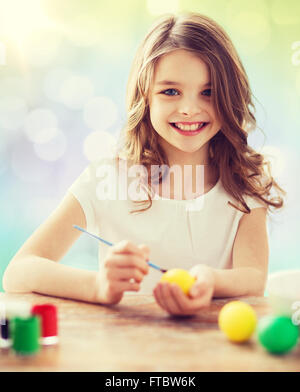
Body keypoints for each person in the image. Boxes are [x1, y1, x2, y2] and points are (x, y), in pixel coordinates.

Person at [3, 12, 285, 316]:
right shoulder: (106, 179)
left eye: (209, 92)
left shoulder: (244, 182)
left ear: (231, 97)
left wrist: (210, 281)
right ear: (145, 97)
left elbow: (254, 278)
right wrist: (98, 286)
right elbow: (19, 272)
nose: (189, 108)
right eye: (170, 91)